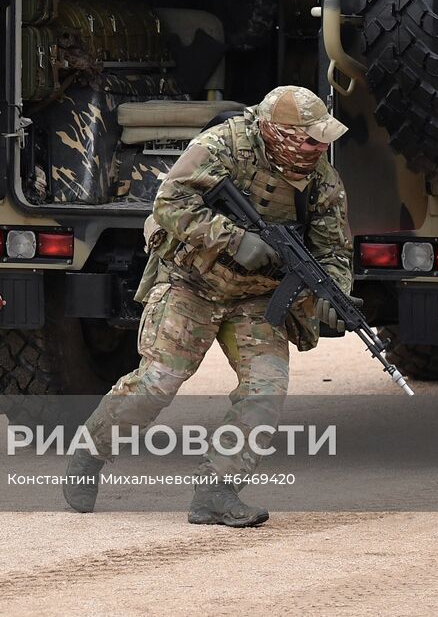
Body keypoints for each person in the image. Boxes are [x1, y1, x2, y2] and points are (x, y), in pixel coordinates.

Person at [63, 86, 353, 526]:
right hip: (190, 283)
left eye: (323, 139)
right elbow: (168, 203)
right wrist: (236, 239)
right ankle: (91, 451)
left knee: (266, 392)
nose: (321, 147)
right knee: (157, 383)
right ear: (280, 133)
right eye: (312, 139)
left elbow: (333, 252)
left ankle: (217, 491)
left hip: (256, 297)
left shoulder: (322, 181)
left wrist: (334, 293)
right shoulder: (221, 146)